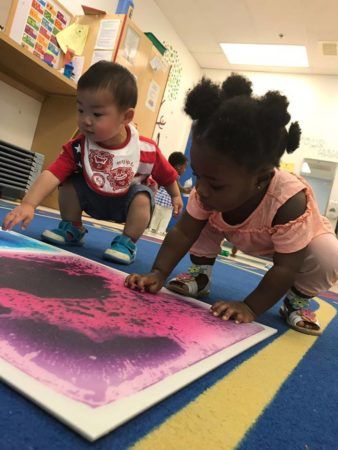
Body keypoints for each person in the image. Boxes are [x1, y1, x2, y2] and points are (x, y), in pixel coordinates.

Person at [125, 74, 338, 336]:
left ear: (259, 179)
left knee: (329, 253)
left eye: (215, 184)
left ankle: (297, 299)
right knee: (199, 217)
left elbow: (286, 267)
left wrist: (250, 307)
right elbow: (182, 233)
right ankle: (200, 274)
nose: (200, 188)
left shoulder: (290, 202)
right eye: (198, 175)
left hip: (296, 246)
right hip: (234, 230)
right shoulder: (209, 191)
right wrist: (158, 272)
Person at [2, 61, 182, 264]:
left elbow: (167, 175)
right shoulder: (78, 147)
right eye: (80, 110)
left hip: (126, 203)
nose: (86, 120)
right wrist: (28, 203)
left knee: (143, 197)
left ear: (126, 116)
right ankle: (72, 228)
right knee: (68, 182)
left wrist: (175, 195)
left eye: (96, 114)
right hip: (91, 197)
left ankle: (126, 242)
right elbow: (52, 174)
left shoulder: (146, 149)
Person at [149, 152, 191, 235]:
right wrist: (186, 190)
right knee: (165, 217)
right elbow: (178, 188)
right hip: (168, 201)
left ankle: (152, 229)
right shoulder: (174, 175)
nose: (184, 170)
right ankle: (160, 231)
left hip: (159, 200)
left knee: (156, 217)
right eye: (184, 168)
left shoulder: (166, 172)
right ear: (179, 167)